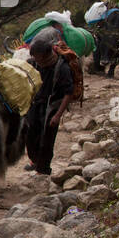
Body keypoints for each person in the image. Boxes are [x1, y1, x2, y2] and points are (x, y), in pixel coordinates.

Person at [23, 29, 74, 175]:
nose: (37, 61)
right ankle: (35, 161)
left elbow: (68, 93)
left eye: (39, 58)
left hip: (52, 105)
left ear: (47, 55)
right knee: (29, 134)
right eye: (35, 58)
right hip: (36, 103)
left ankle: (43, 169)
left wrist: (57, 115)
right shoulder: (34, 64)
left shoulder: (62, 67)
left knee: (47, 139)